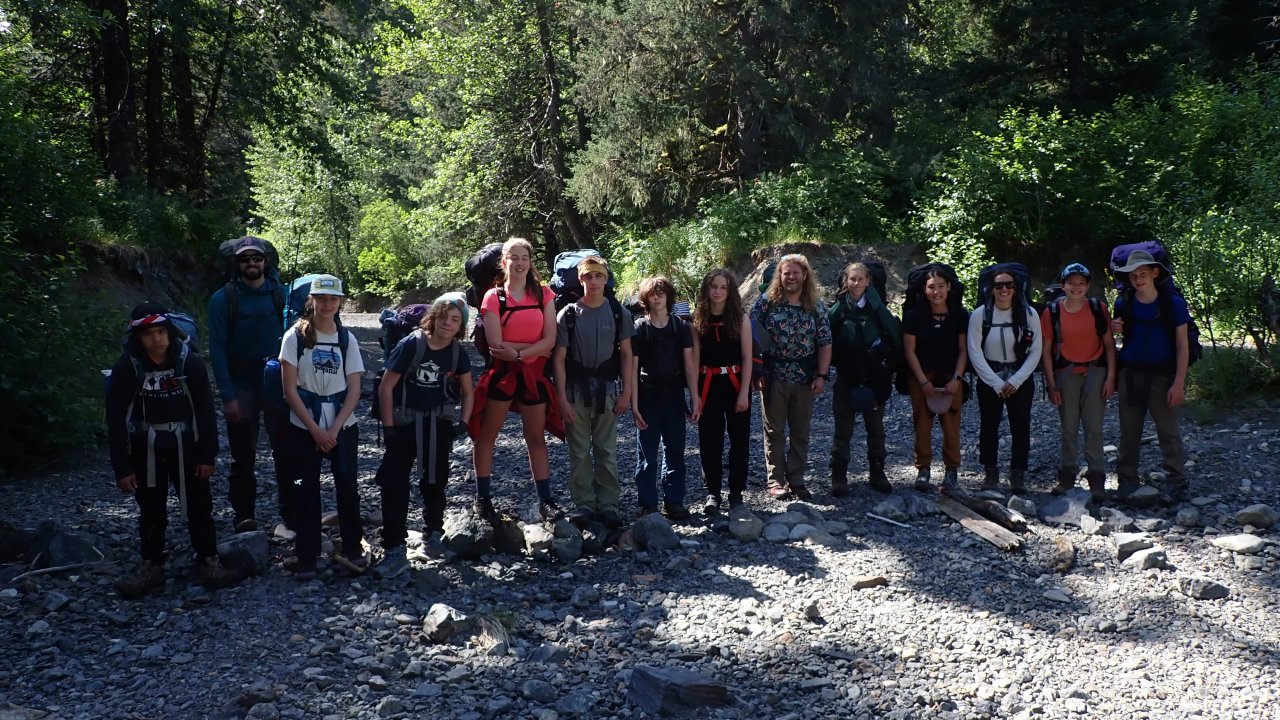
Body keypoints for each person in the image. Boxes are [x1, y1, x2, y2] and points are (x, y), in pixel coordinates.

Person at [106, 302, 237, 598]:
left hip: (187, 445)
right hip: (144, 447)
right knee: (150, 508)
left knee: (199, 504)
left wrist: (207, 456)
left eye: (161, 331)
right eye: (149, 333)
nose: (157, 339)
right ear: (138, 336)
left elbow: (205, 411)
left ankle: (208, 561)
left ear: (170, 331)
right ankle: (151, 566)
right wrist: (122, 468)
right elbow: (115, 418)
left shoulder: (189, 363)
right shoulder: (127, 367)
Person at [371, 297, 474, 579]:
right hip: (404, 423)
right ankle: (394, 547)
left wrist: (463, 422)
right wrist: (389, 427)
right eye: (444, 316)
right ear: (433, 317)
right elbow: (386, 387)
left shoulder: (456, 353)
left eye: (455, 320)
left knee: (436, 481)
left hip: (438, 425)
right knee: (394, 483)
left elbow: (467, 390)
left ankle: (433, 535)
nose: (448, 323)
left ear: (461, 326)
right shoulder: (411, 345)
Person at [469, 237, 563, 520]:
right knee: (487, 435)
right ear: (504, 261)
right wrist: (530, 351)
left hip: (530, 374)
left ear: (530, 261)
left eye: (524, 257)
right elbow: (497, 344)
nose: (519, 262)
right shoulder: (492, 296)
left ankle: (546, 501)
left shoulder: (544, 294)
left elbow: (550, 341)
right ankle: (482, 498)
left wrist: (518, 353)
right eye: (514, 257)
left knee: (535, 437)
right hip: (503, 374)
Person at [279, 274, 365, 581]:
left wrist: (334, 428)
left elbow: (354, 389)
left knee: (348, 488)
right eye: (321, 298)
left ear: (341, 302)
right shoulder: (295, 337)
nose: (327, 304)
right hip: (303, 425)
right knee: (306, 492)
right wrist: (316, 430)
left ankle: (353, 548)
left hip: (342, 424)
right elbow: (289, 390)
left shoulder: (346, 339)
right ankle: (307, 557)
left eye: (333, 299)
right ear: (311, 300)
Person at [207, 236, 289, 534]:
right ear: (236, 264)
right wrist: (227, 395)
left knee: (287, 450)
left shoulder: (281, 295)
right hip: (241, 381)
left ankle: (291, 510)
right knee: (243, 454)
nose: (252, 263)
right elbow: (216, 349)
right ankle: (244, 515)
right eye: (245, 259)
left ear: (265, 261)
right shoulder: (222, 300)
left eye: (257, 258)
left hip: (277, 380)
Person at [554, 255, 635, 527]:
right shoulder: (567, 315)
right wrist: (561, 398)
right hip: (575, 391)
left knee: (607, 449)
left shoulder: (617, 312)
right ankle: (584, 503)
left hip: (608, 389)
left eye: (598, 276)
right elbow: (558, 359)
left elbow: (626, 354)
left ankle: (609, 503)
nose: (593, 281)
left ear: (605, 279)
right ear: (580, 279)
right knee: (578, 450)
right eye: (588, 276)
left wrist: (627, 393)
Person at [750, 253, 832, 501]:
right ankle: (776, 481)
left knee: (801, 430)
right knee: (774, 430)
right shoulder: (766, 302)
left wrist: (822, 375)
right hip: (773, 375)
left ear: (805, 275)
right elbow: (751, 336)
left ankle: (796, 479)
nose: (791, 277)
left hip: (804, 377)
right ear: (779, 276)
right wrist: (757, 372)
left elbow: (825, 342)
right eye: (786, 273)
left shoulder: (816, 305)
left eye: (796, 272)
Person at [1112, 249, 1191, 503]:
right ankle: (1127, 479)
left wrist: (1179, 382)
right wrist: (1114, 329)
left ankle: (1176, 480)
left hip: (1162, 375)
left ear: (1155, 273)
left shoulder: (1173, 304)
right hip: (1131, 374)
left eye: (1142, 274)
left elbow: (1182, 344)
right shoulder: (1123, 303)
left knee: (1167, 430)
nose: (1138, 279)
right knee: (1129, 431)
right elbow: (1118, 338)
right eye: (1133, 276)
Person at [1041, 263, 1115, 499]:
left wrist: (1111, 377)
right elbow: (1046, 351)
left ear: (1088, 286)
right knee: (1069, 428)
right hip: (1066, 373)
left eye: (1081, 283)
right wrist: (1051, 382)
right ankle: (1067, 477)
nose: (1076, 287)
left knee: (1094, 428)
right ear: (1063, 285)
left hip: (1096, 371)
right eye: (1071, 283)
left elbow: (1109, 345)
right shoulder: (1052, 312)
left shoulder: (1098, 308)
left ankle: (1096, 479)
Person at [828, 262, 901, 495]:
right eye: (852, 279)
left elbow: (896, 336)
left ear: (869, 281)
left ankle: (878, 472)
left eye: (860, 279)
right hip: (846, 375)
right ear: (845, 281)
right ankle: (839, 475)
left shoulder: (878, 310)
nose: (856, 283)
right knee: (843, 428)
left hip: (874, 376)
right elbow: (823, 337)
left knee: (876, 428)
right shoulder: (838, 309)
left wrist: (889, 367)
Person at [967, 268, 1043, 494]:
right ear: (989, 289)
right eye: (998, 285)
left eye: (1008, 285)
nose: (1003, 290)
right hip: (990, 375)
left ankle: (1018, 473)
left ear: (1016, 288)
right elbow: (974, 351)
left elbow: (1036, 350)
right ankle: (990, 472)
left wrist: (1017, 380)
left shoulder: (1029, 314)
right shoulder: (980, 315)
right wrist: (995, 382)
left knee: (1021, 426)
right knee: (989, 426)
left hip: (1021, 376)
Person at [631, 276, 700, 519]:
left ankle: (673, 501)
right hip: (647, 395)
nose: (657, 297)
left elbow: (690, 366)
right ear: (645, 299)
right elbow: (632, 367)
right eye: (652, 294)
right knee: (647, 452)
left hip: (673, 394)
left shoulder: (680, 328)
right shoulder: (639, 328)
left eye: (661, 293)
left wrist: (695, 396)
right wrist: (633, 403)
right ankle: (647, 502)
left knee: (675, 449)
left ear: (669, 297)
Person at [691, 269, 754, 514]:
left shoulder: (741, 319)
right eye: (713, 286)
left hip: (736, 383)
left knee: (739, 440)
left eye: (723, 287)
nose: (718, 291)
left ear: (730, 291)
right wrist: (695, 396)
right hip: (708, 385)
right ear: (707, 289)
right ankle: (713, 493)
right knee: (709, 440)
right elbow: (694, 360)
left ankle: (736, 493)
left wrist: (744, 394)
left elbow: (748, 358)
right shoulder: (698, 318)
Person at [902, 266, 969, 492]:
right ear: (924, 289)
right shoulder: (914, 317)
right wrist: (923, 381)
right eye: (932, 287)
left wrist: (957, 379)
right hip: (922, 377)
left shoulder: (959, 315)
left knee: (951, 426)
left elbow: (963, 349)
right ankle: (923, 469)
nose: (936, 291)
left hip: (952, 377)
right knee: (922, 424)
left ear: (949, 287)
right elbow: (909, 351)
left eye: (941, 286)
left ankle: (951, 471)